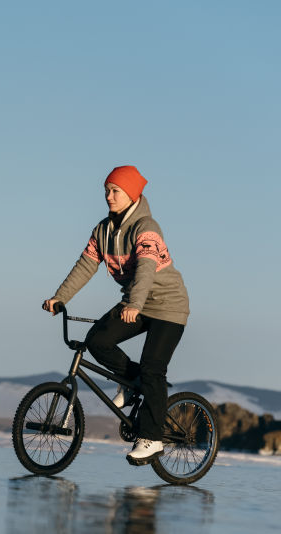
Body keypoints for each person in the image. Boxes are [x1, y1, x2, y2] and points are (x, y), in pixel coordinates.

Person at [42, 165, 189, 466]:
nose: (109, 196)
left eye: (115, 191)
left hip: (168, 307)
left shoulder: (146, 227)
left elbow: (146, 270)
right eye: (106, 191)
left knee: (152, 368)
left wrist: (134, 304)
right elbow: (85, 266)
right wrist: (60, 297)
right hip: (135, 303)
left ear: (131, 193)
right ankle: (130, 381)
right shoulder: (103, 231)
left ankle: (151, 438)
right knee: (97, 341)